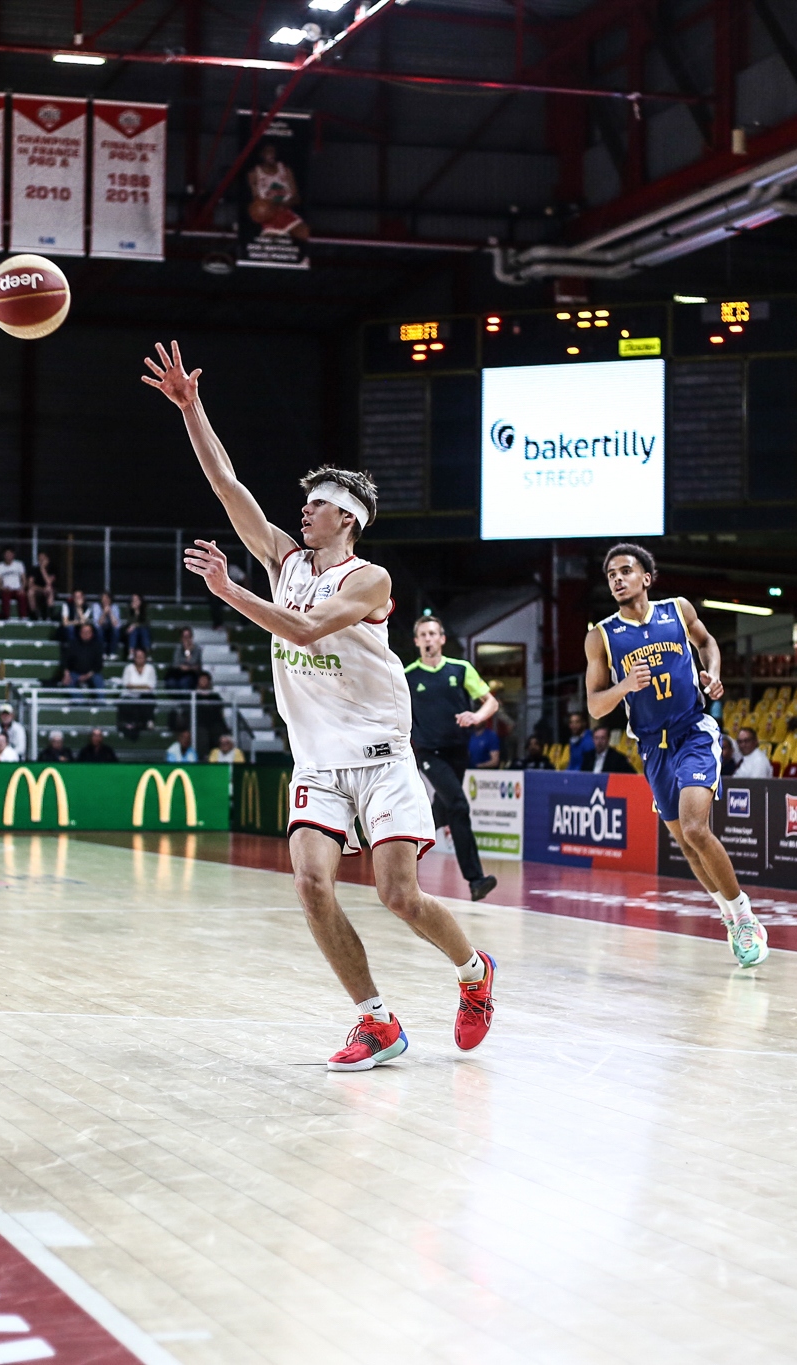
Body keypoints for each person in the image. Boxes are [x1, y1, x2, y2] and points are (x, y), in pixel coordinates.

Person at [147, 339, 495, 1070]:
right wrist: (191, 406)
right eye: (304, 505)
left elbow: (304, 626)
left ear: (348, 519)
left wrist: (231, 594)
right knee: (311, 883)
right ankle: (376, 1020)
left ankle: (473, 973)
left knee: (399, 896)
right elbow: (226, 483)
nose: (302, 513)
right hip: (319, 760)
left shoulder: (370, 580)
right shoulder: (286, 560)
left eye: (317, 506)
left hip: (381, 755)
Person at [585, 542, 766, 968]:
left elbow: (708, 644)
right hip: (652, 746)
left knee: (695, 828)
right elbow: (595, 706)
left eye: (625, 571)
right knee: (686, 844)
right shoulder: (602, 636)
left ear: (646, 578)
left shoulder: (677, 610)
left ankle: (744, 916)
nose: (617, 578)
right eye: (611, 574)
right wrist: (624, 686)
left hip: (693, 732)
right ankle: (727, 915)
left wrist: (714, 675)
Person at [404, 615, 501, 901]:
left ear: (442, 639)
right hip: (428, 752)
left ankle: (399, 848)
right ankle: (476, 879)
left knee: (442, 811)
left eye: (434, 633)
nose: (429, 638)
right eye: (424, 634)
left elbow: (491, 702)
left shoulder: (461, 669)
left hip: (458, 751)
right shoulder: (408, 675)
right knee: (458, 804)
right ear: (417, 641)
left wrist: (477, 716)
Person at [118, 646, 158, 738]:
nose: (140, 659)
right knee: (127, 702)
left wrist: (134, 686)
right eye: (138, 656)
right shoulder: (128, 668)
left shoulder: (150, 668)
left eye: (142, 656)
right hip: (130, 696)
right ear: (134, 657)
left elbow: (151, 686)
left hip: (146, 696)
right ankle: (130, 724)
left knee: (148, 699)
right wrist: (143, 686)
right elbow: (126, 684)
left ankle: (148, 722)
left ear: (145, 657)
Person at [60, 621, 105, 695]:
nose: (86, 634)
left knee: (99, 680)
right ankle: (79, 702)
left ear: (92, 633)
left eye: (88, 632)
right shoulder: (73, 644)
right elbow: (65, 660)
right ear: (80, 632)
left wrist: (88, 675)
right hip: (75, 673)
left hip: (92, 673)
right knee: (67, 680)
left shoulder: (97, 645)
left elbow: (99, 664)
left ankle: (101, 703)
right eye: (83, 631)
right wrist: (66, 673)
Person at [0, 548, 27, 619]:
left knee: (22, 596)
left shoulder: (19, 564)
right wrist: (2, 588)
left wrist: (22, 588)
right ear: (3, 555)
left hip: (18, 589)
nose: (8, 556)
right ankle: (6, 617)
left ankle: (23, 617)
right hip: (6, 589)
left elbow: (24, 579)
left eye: (10, 554)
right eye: (6, 554)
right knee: (5, 595)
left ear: (13, 555)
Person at [167, 625, 204, 690]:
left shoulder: (197, 649)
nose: (187, 639)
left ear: (192, 637)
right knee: (171, 683)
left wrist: (187, 650)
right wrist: (186, 666)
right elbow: (175, 663)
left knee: (184, 683)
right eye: (185, 637)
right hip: (178, 673)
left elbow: (192, 662)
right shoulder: (178, 648)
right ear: (181, 638)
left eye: (189, 637)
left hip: (192, 675)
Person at [26, 551, 56, 619]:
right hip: (38, 589)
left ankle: (50, 614)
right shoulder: (34, 569)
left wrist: (42, 569)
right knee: (30, 592)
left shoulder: (52, 569)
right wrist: (41, 589)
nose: (41, 561)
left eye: (43, 559)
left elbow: (49, 582)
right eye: (40, 559)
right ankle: (33, 614)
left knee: (49, 589)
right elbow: (30, 584)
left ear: (47, 559)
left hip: (49, 590)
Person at [122, 593, 152, 658]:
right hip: (132, 630)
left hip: (143, 629)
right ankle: (131, 653)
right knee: (133, 631)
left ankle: (147, 653)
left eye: (136, 600)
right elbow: (128, 623)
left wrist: (135, 625)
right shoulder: (128, 610)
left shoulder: (146, 609)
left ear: (140, 601)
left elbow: (146, 623)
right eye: (133, 600)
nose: (134, 602)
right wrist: (135, 611)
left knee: (143, 631)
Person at [95, 592, 123, 657]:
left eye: (107, 598)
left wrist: (110, 612)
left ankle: (112, 653)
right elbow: (98, 624)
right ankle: (102, 652)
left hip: (111, 629)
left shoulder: (115, 607)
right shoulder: (96, 606)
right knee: (99, 631)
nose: (105, 600)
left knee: (116, 630)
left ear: (110, 599)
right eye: (103, 598)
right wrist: (104, 613)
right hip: (101, 628)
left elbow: (116, 624)